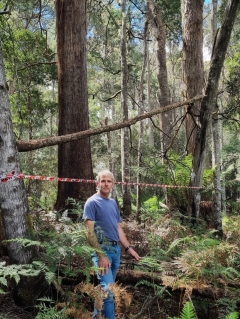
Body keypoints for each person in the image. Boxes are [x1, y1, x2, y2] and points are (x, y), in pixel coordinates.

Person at [83, 169, 140, 319]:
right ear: (97, 183)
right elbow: (89, 232)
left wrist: (129, 249)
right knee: (109, 293)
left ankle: (96, 317)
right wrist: (101, 255)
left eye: (109, 181)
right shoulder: (92, 202)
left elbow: (117, 228)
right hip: (102, 251)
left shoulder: (113, 203)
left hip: (115, 251)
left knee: (106, 291)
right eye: (103, 181)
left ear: (113, 184)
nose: (106, 184)